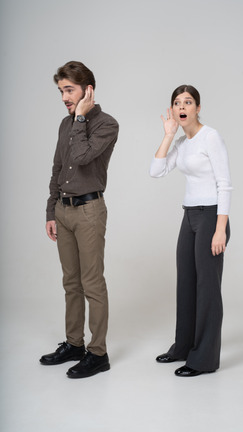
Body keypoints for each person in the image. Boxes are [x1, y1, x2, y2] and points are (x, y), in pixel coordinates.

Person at [40, 61, 119, 379]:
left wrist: (82, 117)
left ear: (88, 90)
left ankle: (98, 354)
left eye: (68, 90)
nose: (63, 97)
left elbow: (82, 156)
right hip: (64, 210)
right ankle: (74, 344)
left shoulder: (107, 124)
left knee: (92, 284)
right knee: (70, 283)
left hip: (89, 211)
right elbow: (58, 167)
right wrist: (50, 210)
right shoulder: (64, 123)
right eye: (60, 91)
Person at [150, 85, 232, 377]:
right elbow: (156, 171)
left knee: (207, 289)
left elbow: (225, 184)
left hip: (211, 217)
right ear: (172, 110)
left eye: (188, 102)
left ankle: (204, 359)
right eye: (176, 102)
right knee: (185, 283)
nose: (182, 106)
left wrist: (220, 230)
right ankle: (183, 346)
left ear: (198, 107)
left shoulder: (211, 137)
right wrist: (169, 134)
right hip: (189, 216)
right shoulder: (182, 144)